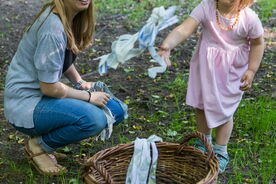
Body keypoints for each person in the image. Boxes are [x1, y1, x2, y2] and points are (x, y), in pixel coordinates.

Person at [4, 0, 126, 175]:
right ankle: (38, 146)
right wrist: (90, 97)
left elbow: (61, 60)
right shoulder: (52, 30)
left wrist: (79, 82)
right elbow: (50, 88)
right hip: (26, 104)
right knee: (95, 119)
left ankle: (47, 140)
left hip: (43, 96)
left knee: (115, 110)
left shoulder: (66, 17)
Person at [158, 0, 264, 173]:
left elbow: (258, 43)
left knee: (225, 111)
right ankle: (203, 142)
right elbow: (184, 28)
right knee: (201, 105)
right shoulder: (206, 7)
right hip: (205, 67)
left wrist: (251, 70)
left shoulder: (249, 18)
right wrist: (167, 45)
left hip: (231, 70)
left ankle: (220, 150)